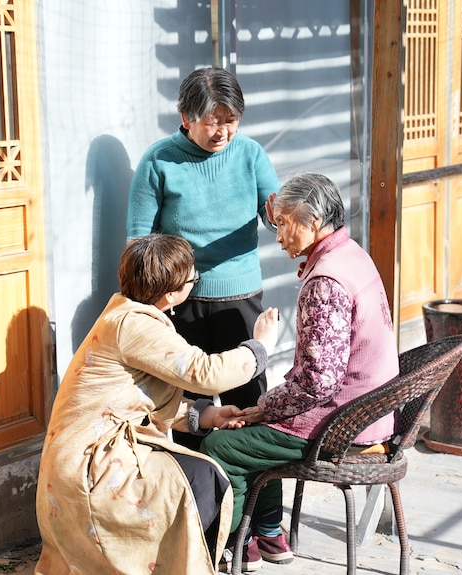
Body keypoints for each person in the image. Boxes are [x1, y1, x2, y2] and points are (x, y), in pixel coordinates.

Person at [34, 233, 281, 575]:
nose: (194, 283)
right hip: (89, 465)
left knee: (198, 474)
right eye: (192, 278)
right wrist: (260, 345)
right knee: (201, 479)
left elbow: (143, 399)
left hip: (86, 453)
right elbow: (205, 372)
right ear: (171, 292)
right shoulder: (134, 325)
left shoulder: (124, 313)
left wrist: (208, 416)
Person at [200, 173, 400, 571]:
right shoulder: (352, 254)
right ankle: (270, 536)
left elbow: (317, 383)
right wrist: (267, 409)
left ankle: (230, 548)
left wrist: (263, 408)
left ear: (311, 221)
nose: (277, 236)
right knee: (258, 428)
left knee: (221, 447)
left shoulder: (325, 279)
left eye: (284, 223)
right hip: (370, 414)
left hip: (345, 424)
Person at [126, 67, 281, 450]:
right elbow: (138, 242)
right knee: (183, 408)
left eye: (231, 122)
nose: (223, 132)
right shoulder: (159, 161)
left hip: (239, 298)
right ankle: (194, 498)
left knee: (247, 405)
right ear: (185, 117)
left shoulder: (250, 154)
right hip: (179, 301)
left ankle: (256, 506)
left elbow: (274, 213)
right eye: (212, 123)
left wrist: (279, 213)